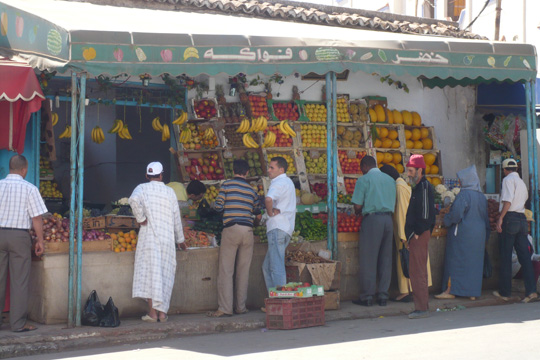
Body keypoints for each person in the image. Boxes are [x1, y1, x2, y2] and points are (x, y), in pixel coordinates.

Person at [128, 161, 187, 323]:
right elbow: (176, 218)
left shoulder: (141, 188)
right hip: (167, 239)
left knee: (151, 275)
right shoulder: (170, 192)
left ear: (147, 176)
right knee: (165, 275)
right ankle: (162, 314)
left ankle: (152, 314)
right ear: (161, 175)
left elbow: (132, 200)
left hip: (149, 239)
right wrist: (180, 240)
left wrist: (141, 218)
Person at [0, 154, 47, 332]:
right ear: (24, 170)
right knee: (19, 281)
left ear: (10, 168)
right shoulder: (30, 188)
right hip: (19, 237)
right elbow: (36, 217)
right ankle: (17, 324)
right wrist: (40, 240)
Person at [207, 160, 260, 317]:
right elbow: (258, 213)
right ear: (247, 173)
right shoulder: (252, 191)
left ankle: (225, 308)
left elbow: (219, 206)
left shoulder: (227, 185)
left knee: (226, 270)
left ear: (233, 171)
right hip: (248, 231)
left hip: (231, 229)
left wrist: (212, 205)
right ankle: (241, 307)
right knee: (243, 271)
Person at [436, 165, 490, 300]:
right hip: (479, 235)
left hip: (463, 234)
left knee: (455, 261)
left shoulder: (464, 195)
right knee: (474, 263)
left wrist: (446, 220)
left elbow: (456, 215)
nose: (459, 183)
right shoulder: (482, 197)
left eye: (461, 180)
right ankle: (472, 292)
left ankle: (450, 290)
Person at [380, 165, 432, 303]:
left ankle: (407, 291)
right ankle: (415, 290)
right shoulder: (402, 185)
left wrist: (404, 236)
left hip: (405, 232)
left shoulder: (399, 188)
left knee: (405, 260)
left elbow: (403, 211)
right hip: (407, 231)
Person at [351, 156, 396, 307]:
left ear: (364, 166)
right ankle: (383, 296)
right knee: (385, 258)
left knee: (368, 259)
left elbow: (357, 206)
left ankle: (367, 296)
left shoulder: (364, 180)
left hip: (372, 220)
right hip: (388, 220)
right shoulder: (390, 180)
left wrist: (358, 211)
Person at [494, 159, 538, 303]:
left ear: (505, 169)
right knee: (524, 257)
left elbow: (508, 201)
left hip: (510, 218)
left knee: (506, 255)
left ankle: (505, 292)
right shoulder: (522, 183)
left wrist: (501, 218)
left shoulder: (507, 180)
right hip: (521, 219)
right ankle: (531, 291)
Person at [405, 154, 435, 319]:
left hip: (420, 234)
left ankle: (421, 308)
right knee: (417, 270)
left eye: (411, 170)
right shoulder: (418, 187)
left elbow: (425, 214)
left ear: (419, 170)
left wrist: (416, 233)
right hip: (418, 234)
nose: (408, 174)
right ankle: (421, 306)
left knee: (418, 271)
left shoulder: (423, 187)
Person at [262, 157, 296, 298]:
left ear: (281, 170)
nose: (269, 170)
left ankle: (281, 299)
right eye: (269, 167)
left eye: (272, 168)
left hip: (277, 228)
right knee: (267, 266)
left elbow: (268, 199)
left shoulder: (278, 182)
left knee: (276, 267)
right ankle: (273, 297)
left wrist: (270, 213)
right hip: (285, 228)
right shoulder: (288, 182)